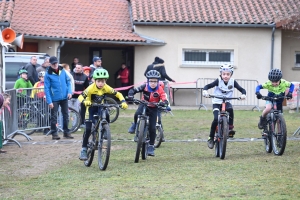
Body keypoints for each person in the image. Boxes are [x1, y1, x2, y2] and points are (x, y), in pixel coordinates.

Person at [77, 68, 128, 160]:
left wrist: (123, 102)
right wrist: (85, 101)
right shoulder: (90, 88)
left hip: (100, 107)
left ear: (105, 81)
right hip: (91, 108)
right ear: (94, 80)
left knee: (106, 113)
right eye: (99, 81)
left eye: (103, 81)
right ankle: (84, 149)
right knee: (88, 128)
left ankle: (105, 130)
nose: (101, 83)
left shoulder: (106, 87)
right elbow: (80, 96)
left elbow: (118, 94)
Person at [202, 64, 246, 149]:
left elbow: (242, 89)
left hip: (226, 101)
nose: (225, 76)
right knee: (215, 119)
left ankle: (230, 128)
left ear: (231, 75)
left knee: (230, 109)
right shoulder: (218, 81)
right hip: (217, 102)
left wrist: (243, 94)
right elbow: (207, 86)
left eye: (228, 74)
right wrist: (205, 91)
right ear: (221, 74)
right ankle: (210, 138)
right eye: (224, 74)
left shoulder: (233, 82)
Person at [127, 70, 169, 156]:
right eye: (151, 81)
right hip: (144, 104)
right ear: (147, 81)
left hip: (153, 108)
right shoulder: (144, 86)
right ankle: (135, 124)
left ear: (158, 82)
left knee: (152, 128)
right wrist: (131, 95)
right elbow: (134, 90)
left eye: (155, 81)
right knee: (137, 113)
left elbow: (164, 98)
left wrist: (164, 102)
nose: (153, 83)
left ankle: (151, 145)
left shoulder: (160, 89)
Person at [255, 68, 294, 135]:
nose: (274, 83)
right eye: (272, 81)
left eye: (276, 82)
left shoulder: (284, 82)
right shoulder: (268, 83)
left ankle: (280, 134)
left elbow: (292, 85)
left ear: (280, 80)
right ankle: (262, 119)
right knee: (268, 108)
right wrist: (257, 93)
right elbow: (258, 87)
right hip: (270, 98)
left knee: (279, 119)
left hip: (279, 100)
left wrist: (290, 93)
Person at [44, 56, 73, 140]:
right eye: (53, 64)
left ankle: (66, 132)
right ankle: (54, 133)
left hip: (64, 97)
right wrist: (49, 101)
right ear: (50, 64)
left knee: (66, 115)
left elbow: (68, 82)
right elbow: (47, 88)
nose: (55, 65)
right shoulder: (48, 74)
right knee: (54, 116)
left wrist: (69, 92)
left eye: (56, 63)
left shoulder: (62, 70)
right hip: (54, 98)